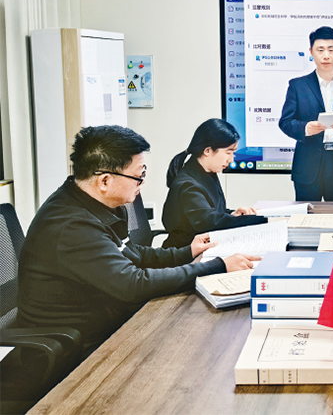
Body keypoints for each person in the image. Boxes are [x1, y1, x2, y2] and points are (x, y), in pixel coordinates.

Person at [17, 125, 260, 354]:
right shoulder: (72, 226)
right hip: (79, 345)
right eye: (138, 176)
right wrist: (218, 266)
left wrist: (187, 251)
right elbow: (133, 284)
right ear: (105, 181)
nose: (141, 184)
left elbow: (132, 253)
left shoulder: (96, 203)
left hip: (111, 319)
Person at [278, 26, 333, 201]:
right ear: (311, 52)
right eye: (320, 50)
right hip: (308, 164)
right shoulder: (297, 86)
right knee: (307, 214)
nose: (326, 55)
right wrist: (306, 128)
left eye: (331, 49)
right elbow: (285, 122)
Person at [162, 118, 269, 248]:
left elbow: (213, 212)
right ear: (207, 151)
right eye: (228, 152)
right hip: (184, 254)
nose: (231, 160)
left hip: (204, 247)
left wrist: (233, 214)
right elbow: (209, 223)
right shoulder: (188, 185)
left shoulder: (206, 172)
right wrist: (265, 220)